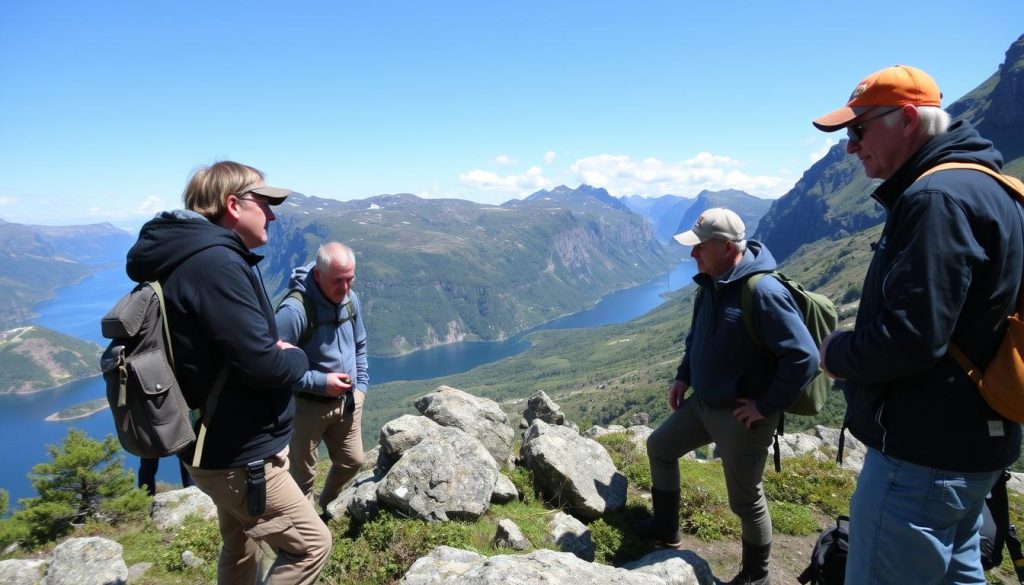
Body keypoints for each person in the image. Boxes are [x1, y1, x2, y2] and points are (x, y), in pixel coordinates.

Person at [813, 65, 1023, 584]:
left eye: (858, 130)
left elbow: (910, 338)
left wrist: (836, 353)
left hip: (923, 452)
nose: (850, 147)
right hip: (977, 444)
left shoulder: (936, 199)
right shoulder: (996, 188)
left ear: (907, 119)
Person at [125, 161, 331, 584]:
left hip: (219, 443)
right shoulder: (216, 265)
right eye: (266, 203)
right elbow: (264, 364)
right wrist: (297, 356)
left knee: (241, 545)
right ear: (234, 205)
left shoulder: (190, 258)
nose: (273, 214)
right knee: (311, 545)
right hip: (241, 454)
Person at [644, 207, 819, 585]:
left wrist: (765, 405)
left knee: (746, 500)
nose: (693, 254)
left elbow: (804, 356)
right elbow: (697, 337)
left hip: (741, 415)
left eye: (699, 247)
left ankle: (756, 577)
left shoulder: (763, 291)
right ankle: (665, 531)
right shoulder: (711, 281)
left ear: (726, 247)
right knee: (659, 447)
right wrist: (682, 377)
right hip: (703, 404)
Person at [276, 242, 368, 520]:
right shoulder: (294, 311)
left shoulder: (351, 300)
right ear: (318, 274)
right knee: (302, 478)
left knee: (353, 461)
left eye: (350, 278)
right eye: (338, 280)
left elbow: (360, 344)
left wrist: (361, 385)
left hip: (348, 401)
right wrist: (319, 382)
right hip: (306, 408)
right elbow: (274, 367)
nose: (345, 287)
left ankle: (326, 509)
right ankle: (307, 540)